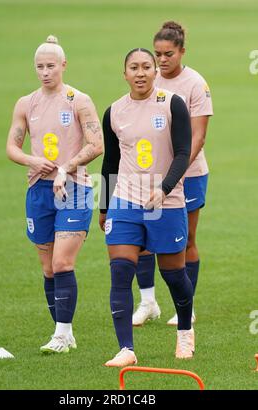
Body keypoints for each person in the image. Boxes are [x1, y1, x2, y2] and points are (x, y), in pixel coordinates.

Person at [6, 35, 103, 353]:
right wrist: (33, 160)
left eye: (51, 66)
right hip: (38, 190)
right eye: (39, 66)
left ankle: (61, 335)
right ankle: (64, 333)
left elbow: (96, 145)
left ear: (63, 65)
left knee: (62, 263)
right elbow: (11, 147)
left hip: (74, 189)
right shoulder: (25, 103)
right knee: (48, 268)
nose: (45, 72)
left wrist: (67, 167)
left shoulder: (79, 100)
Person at [99, 48, 193, 366]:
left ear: (155, 71)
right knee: (121, 270)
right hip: (125, 200)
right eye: (133, 68)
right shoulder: (114, 112)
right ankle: (127, 349)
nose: (140, 73)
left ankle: (184, 331)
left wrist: (164, 189)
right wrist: (103, 207)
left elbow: (183, 152)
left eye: (146, 67)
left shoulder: (172, 104)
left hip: (166, 201)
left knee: (173, 273)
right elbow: (110, 162)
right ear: (124, 73)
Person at [133, 21, 213, 327]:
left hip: (188, 175)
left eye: (168, 54)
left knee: (186, 241)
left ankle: (186, 307)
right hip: (148, 176)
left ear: (182, 52)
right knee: (142, 239)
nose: (162, 60)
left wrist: (174, 173)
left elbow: (198, 136)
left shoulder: (195, 85)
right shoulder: (149, 82)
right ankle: (148, 303)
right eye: (157, 54)